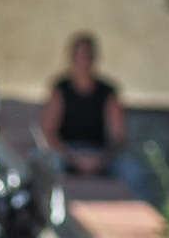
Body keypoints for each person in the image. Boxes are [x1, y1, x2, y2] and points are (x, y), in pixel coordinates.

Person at [37, 32, 141, 190]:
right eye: (80, 55)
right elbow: (48, 131)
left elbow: (119, 136)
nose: (83, 60)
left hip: (99, 152)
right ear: (72, 58)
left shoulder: (107, 91)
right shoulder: (60, 89)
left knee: (132, 173)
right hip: (66, 152)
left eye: (87, 55)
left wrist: (100, 159)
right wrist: (73, 158)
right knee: (47, 169)